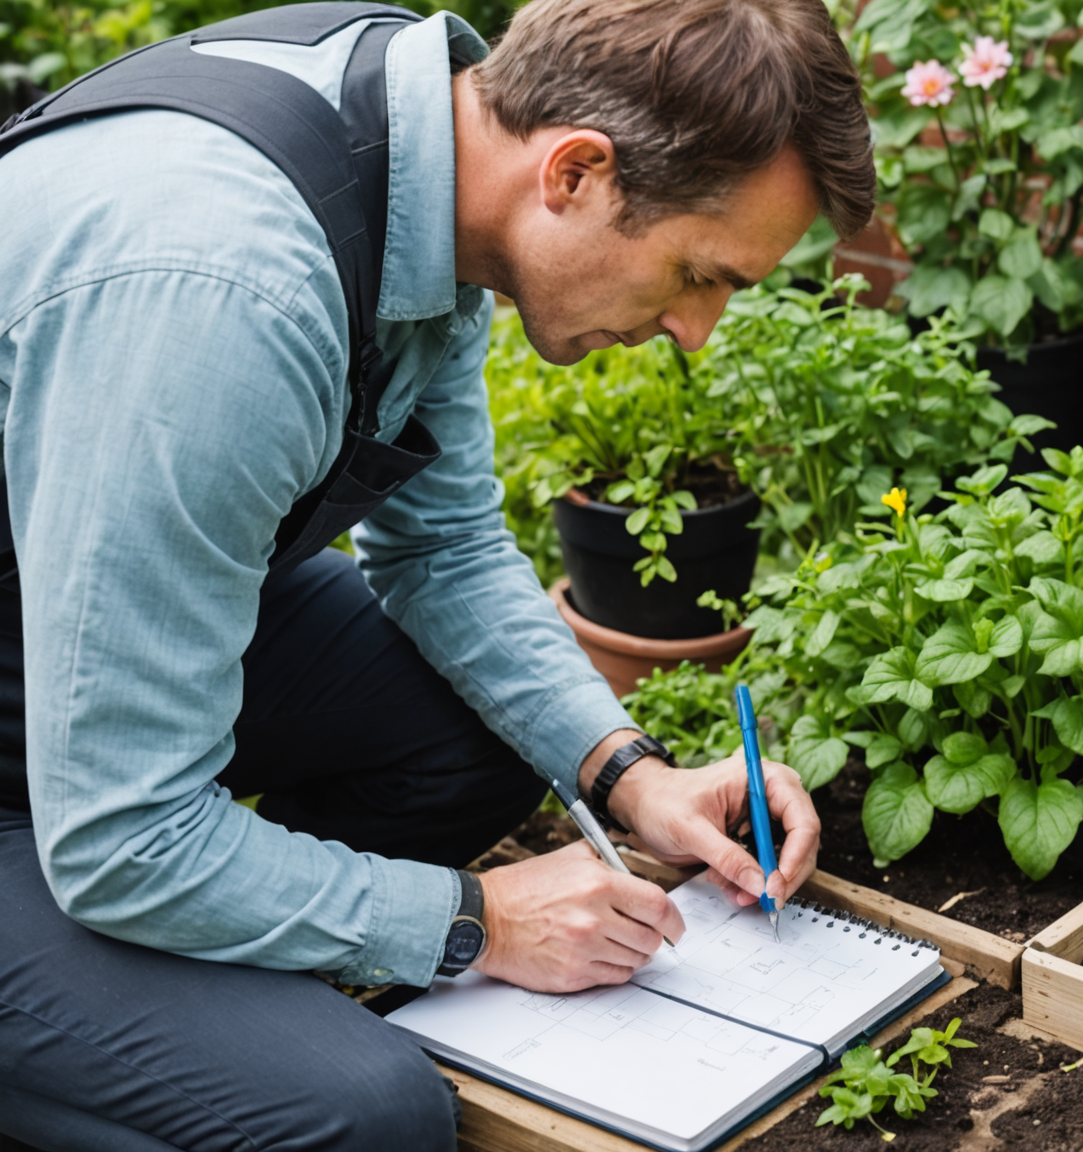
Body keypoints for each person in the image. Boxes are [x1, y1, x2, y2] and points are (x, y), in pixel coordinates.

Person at [0, 0, 874, 1146]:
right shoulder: (232, 296)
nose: (698, 331)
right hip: (71, 747)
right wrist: (476, 921)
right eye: (699, 273)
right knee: (365, 1116)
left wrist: (629, 776)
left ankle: (184, 986)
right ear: (576, 173)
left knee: (491, 732)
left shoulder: (428, 153)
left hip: (59, 636)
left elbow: (445, 546)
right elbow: (123, 836)